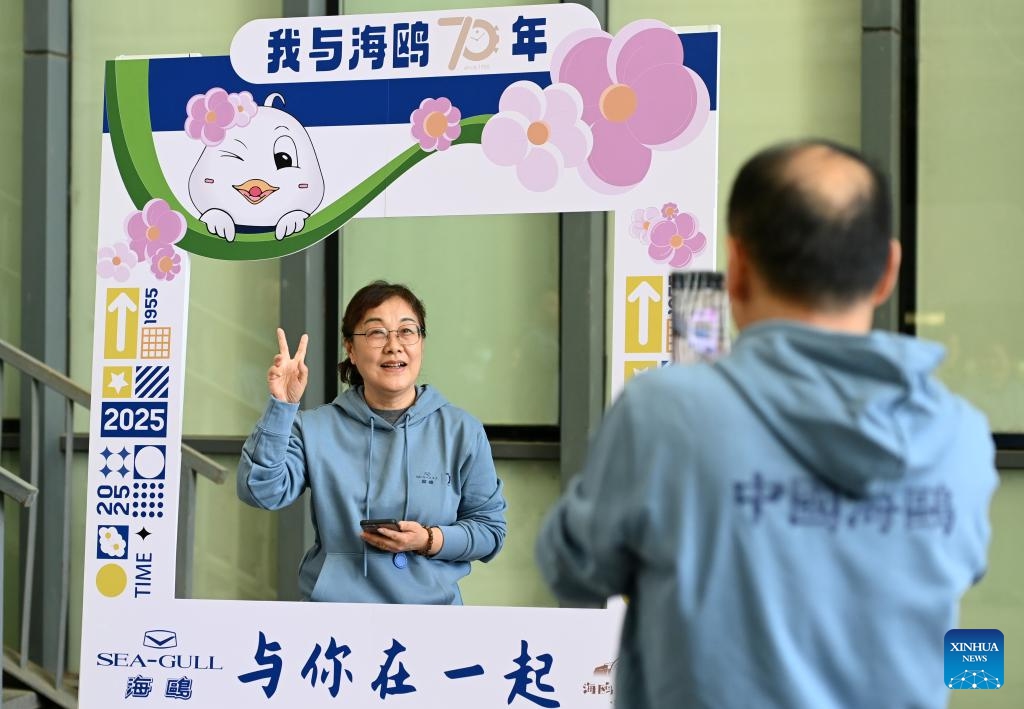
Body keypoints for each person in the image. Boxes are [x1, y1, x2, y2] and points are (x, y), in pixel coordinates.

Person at [536, 140, 997, 707]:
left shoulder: (664, 414)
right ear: (887, 272)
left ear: (737, 267)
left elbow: (575, 568)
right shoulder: (961, 438)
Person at [238, 280, 507, 604]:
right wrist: (282, 407)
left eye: (407, 331)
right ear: (350, 348)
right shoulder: (315, 428)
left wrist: (429, 539)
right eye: (377, 332)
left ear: (421, 342)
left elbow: (490, 531)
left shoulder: (461, 430)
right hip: (336, 621)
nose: (394, 345)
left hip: (432, 622)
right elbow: (261, 492)